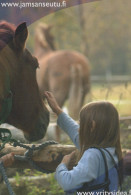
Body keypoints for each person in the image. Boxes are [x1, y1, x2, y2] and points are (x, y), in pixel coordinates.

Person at [44, 91, 122, 194]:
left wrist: (62, 166)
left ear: (92, 126)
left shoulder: (93, 155)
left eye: (81, 123)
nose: (78, 128)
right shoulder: (111, 151)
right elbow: (79, 137)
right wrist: (58, 111)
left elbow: (68, 183)